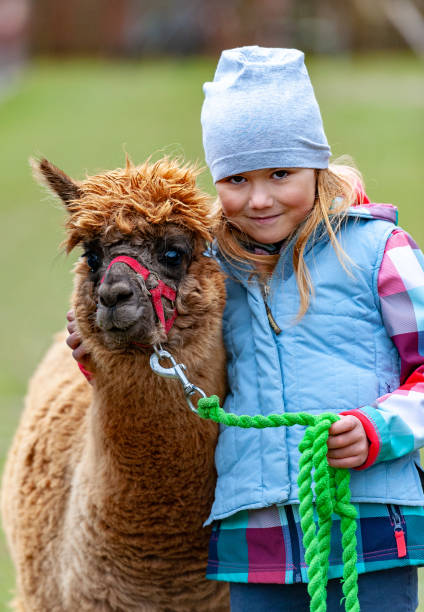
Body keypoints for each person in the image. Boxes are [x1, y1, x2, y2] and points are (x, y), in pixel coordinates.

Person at [67, 47, 424, 611]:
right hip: (253, 537)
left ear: (317, 165)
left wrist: (381, 430)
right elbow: (179, 367)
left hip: (368, 526)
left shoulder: (380, 252)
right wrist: (101, 350)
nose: (259, 198)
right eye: (236, 178)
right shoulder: (212, 267)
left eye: (280, 173)